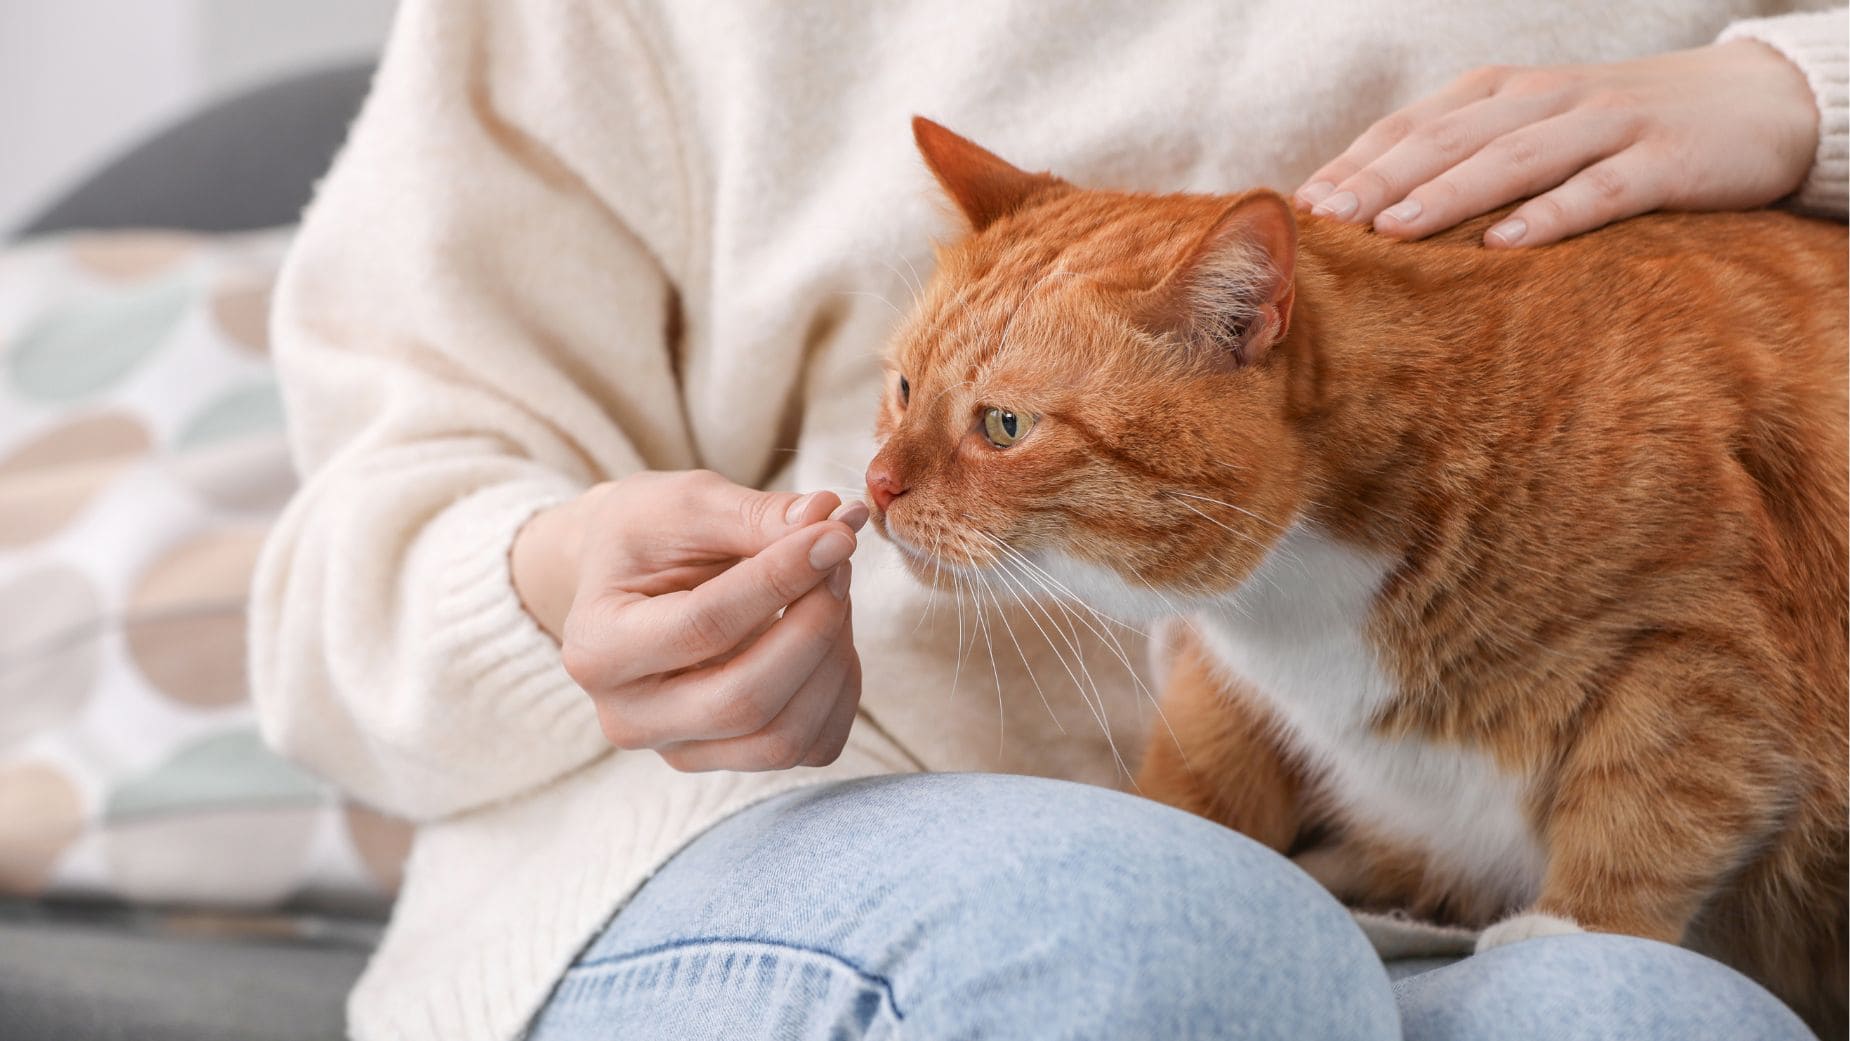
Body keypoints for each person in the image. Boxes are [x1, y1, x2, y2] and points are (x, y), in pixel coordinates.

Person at [249, 3, 1846, 1038]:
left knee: (1654, 1021)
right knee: (1154, 940)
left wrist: (1807, 91)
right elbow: (337, 569)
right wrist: (545, 595)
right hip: (794, 833)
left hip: (1482, 864)